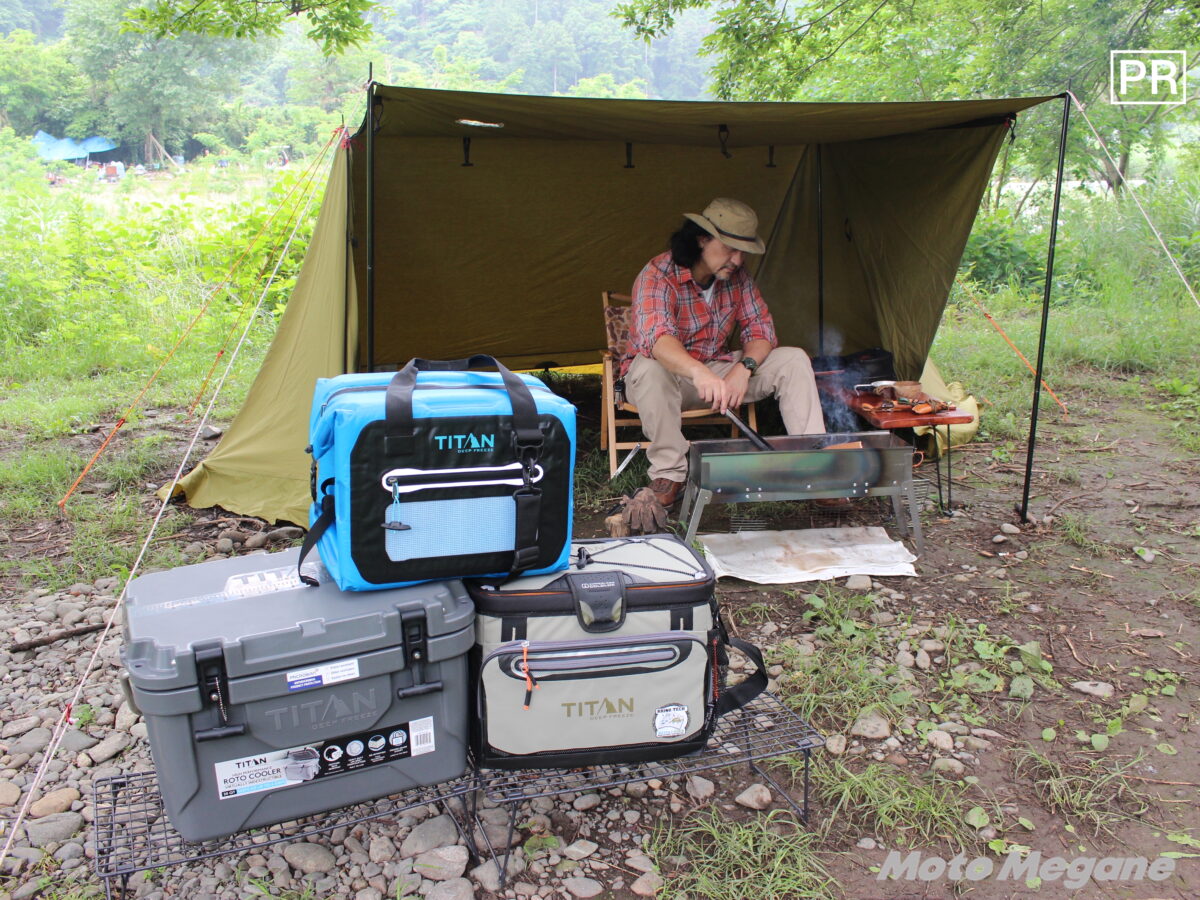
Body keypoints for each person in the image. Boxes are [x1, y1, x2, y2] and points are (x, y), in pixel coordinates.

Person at [622, 197, 826, 509]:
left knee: (794, 358)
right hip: (664, 381)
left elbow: (761, 330)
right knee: (651, 368)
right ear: (701, 239)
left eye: (743, 251)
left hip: (717, 375)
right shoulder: (658, 274)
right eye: (730, 248)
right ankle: (669, 473)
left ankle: (817, 468)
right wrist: (698, 372)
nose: (738, 260)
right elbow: (658, 340)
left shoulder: (738, 279)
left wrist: (742, 368)